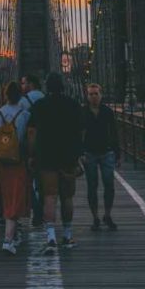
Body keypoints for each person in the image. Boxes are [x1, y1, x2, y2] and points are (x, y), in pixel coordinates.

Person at [27, 71, 82, 254]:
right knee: (67, 197)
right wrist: (78, 154)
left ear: (46, 87)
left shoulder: (39, 105)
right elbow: (80, 132)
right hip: (68, 157)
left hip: (46, 157)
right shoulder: (73, 105)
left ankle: (50, 237)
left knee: (49, 197)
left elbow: (32, 134)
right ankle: (67, 235)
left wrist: (32, 155)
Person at [0, 80, 30, 255]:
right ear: (21, 96)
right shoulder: (25, 115)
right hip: (17, 161)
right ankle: (8, 239)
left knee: (5, 195)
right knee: (15, 197)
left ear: (5, 95)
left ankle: (13, 233)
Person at [81, 83, 120, 231]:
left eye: (96, 93)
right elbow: (79, 133)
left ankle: (107, 215)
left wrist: (117, 154)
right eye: (91, 94)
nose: (93, 97)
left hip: (107, 152)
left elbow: (114, 132)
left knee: (109, 184)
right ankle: (95, 217)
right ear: (87, 96)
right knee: (92, 186)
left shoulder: (108, 112)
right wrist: (80, 152)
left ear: (101, 95)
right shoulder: (82, 112)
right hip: (89, 153)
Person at [19, 73, 44, 225]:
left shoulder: (22, 101)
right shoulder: (45, 98)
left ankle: (36, 210)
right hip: (45, 144)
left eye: (23, 83)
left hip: (27, 145)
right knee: (42, 179)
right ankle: (42, 207)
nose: (22, 86)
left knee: (27, 180)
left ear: (30, 84)